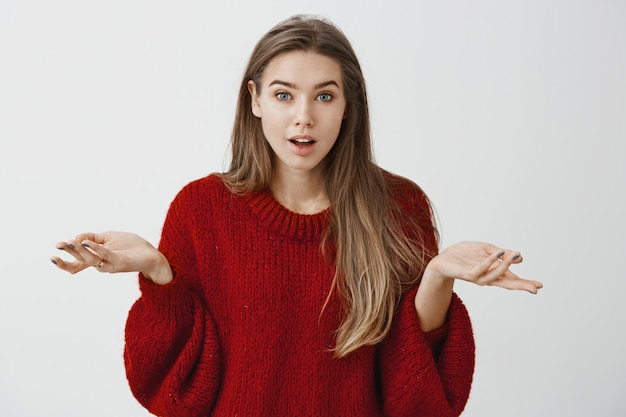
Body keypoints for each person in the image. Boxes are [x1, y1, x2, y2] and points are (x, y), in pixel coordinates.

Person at [51, 15, 543, 417]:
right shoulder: (201, 209)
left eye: (324, 96)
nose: (303, 116)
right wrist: (159, 274)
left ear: (349, 106)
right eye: (284, 94)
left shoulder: (399, 207)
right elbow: (177, 394)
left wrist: (437, 276)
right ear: (256, 100)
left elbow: (414, 398)